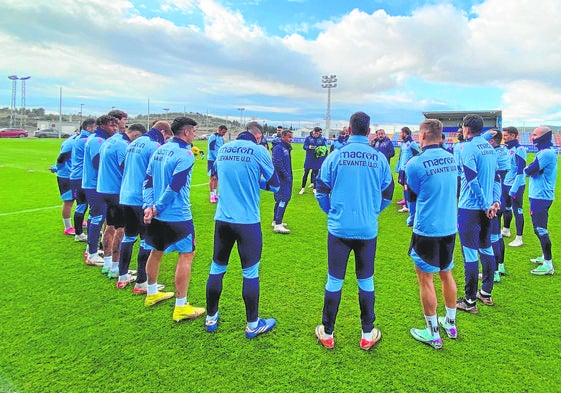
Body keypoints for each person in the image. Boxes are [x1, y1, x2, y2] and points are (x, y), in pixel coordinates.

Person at [314, 112, 394, 350]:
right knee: (366, 280)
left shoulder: (335, 156)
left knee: (334, 280)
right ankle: (367, 334)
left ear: (348, 130)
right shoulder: (379, 158)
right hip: (367, 230)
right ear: (369, 132)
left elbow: (320, 190)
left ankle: (327, 332)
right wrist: (372, 212)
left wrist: (332, 213)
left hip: (339, 229)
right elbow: (388, 194)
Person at [204, 121, 279, 337]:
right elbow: (274, 185)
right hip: (247, 222)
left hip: (222, 220)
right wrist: (256, 183)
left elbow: (216, 174)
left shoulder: (224, 149)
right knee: (250, 273)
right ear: (257, 136)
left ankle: (211, 318)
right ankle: (253, 325)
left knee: (217, 268)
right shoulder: (259, 151)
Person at [142, 117, 205, 322]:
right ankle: (181, 306)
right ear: (186, 132)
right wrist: (157, 208)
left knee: (156, 251)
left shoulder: (159, 150)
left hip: (157, 214)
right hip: (177, 215)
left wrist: (148, 206)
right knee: (187, 255)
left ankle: (152, 293)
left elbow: (148, 181)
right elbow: (175, 186)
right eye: (194, 131)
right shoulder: (186, 154)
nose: (194, 135)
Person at [405, 119, 458, 349]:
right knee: (447, 274)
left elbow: (414, 193)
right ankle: (451, 324)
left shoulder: (415, 163)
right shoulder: (451, 158)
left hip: (427, 228)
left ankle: (432, 333)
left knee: (425, 280)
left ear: (424, 135)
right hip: (449, 227)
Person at [119, 121, 172, 293]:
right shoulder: (154, 145)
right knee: (146, 240)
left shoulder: (134, 142)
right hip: (141, 198)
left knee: (128, 237)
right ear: (162, 132)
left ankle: (123, 276)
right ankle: (141, 282)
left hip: (126, 195)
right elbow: (155, 174)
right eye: (167, 136)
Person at [456, 114, 500, 313]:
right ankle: (486, 293)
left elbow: (472, 180)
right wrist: (495, 202)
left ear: (466, 128)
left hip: (471, 208)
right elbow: (497, 176)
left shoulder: (468, 148)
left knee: (470, 253)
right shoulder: (490, 148)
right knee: (486, 248)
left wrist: (484, 205)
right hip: (488, 207)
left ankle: (469, 301)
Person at [97, 122, 146, 280]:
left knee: (110, 225)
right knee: (121, 229)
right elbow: (127, 167)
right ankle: (116, 268)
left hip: (104, 188)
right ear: (136, 135)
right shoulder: (123, 145)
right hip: (117, 191)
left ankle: (107, 262)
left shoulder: (110, 140)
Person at [82, 115, 119, 266]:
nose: (115, 129)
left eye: (116, 126)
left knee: (95, 216)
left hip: (96, 183)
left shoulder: (99, 139)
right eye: (112, 126)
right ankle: (91, 254)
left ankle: (91, 249)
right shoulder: (97, 140)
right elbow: (97, 162)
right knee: (98, 217)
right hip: (94, 184)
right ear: (102, 125)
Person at [526, 126, 557, 276]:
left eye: (535, 134)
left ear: (544, 137)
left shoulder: (546, 153)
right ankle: (545, 256)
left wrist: (530, 169)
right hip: (539, 195)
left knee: (540, 229)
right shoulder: (544, 152)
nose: (532, 137)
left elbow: (529, 170)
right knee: (539, 229)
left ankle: (548, 265)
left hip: (541, 196)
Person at [484, 130, 510, 282]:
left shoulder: (494, 155)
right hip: (501, 196)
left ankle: (494, 273)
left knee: (492, 235)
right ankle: (500, 266)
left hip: (495, 197)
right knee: (497, 234)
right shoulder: (502, 152)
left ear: (492, 142)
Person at [70, 118, 96, 242]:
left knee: (82, 205)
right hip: (81, 177)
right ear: (89, 128)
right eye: (95, 127)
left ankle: (79, 232)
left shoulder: (79, 139)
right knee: (83, 205)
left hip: (76, 176)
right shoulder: (87, 140)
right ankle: (79, 233)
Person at [501, 126, 527, 247]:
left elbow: (521, 171)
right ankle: (506, 230)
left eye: (505, 135)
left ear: (513, 135)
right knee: (506, 208)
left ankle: (519, 238)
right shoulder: (506, 149)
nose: (504, 138)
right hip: (506, 183)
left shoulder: (519, 149)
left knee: (517, 210)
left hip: (516, 185)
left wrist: (514, 188)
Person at [50, 130, 79, 235]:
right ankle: (68, 227)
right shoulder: (71, 143)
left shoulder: (77, 140)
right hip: (66, 176)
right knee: (69, 201)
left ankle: (78, 221)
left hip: (73, 175)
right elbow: (61, 159)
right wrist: (57, 168)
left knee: (79, 200)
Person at [272, 129, 293, 234]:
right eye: (289, 137)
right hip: (282, 178)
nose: (291, 139)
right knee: (283, 199)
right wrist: (286, 176)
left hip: (285, 177)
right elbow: (277, 163)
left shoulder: (285, 147)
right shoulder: (279, 148)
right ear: (283, 137)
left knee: (280, 199)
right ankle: (278, 224)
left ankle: (275, 220)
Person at [395, 127, 420, 213]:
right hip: (402, 168)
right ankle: (405, 201)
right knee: (403, 185)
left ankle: (407, 205)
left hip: (407, 169)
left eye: (401, 132)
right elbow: (401, 156)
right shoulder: (402, 144)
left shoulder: (412, 143)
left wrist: (410, 165)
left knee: (407, 186)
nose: (400, 134)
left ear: (406, 133)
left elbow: (416, 156)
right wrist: (398, 166)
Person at [299, 127, 328, 195]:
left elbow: (325, 148)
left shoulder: (322, 139)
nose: (316, 134)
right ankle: (302, 188)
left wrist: (321, 149)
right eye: (315, 133)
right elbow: (304, 146)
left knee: (316, 174)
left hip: (317, 159)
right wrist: (308, 147)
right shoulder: (308, 138)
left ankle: (314, 188)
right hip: (309, 158)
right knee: (305, 173)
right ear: (313, 131)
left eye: (317, 133)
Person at [207, 125, 228, 203]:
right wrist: (217, 158)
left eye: (225, 133)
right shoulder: (213, 137)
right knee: (212, 178)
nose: (224, 134)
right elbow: (211, 149)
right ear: (219, 130)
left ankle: (215, 194)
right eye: (223, 132)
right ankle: (211, 195)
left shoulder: (222, 138)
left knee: (217, 177)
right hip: (212, 160)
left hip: (219, 160)